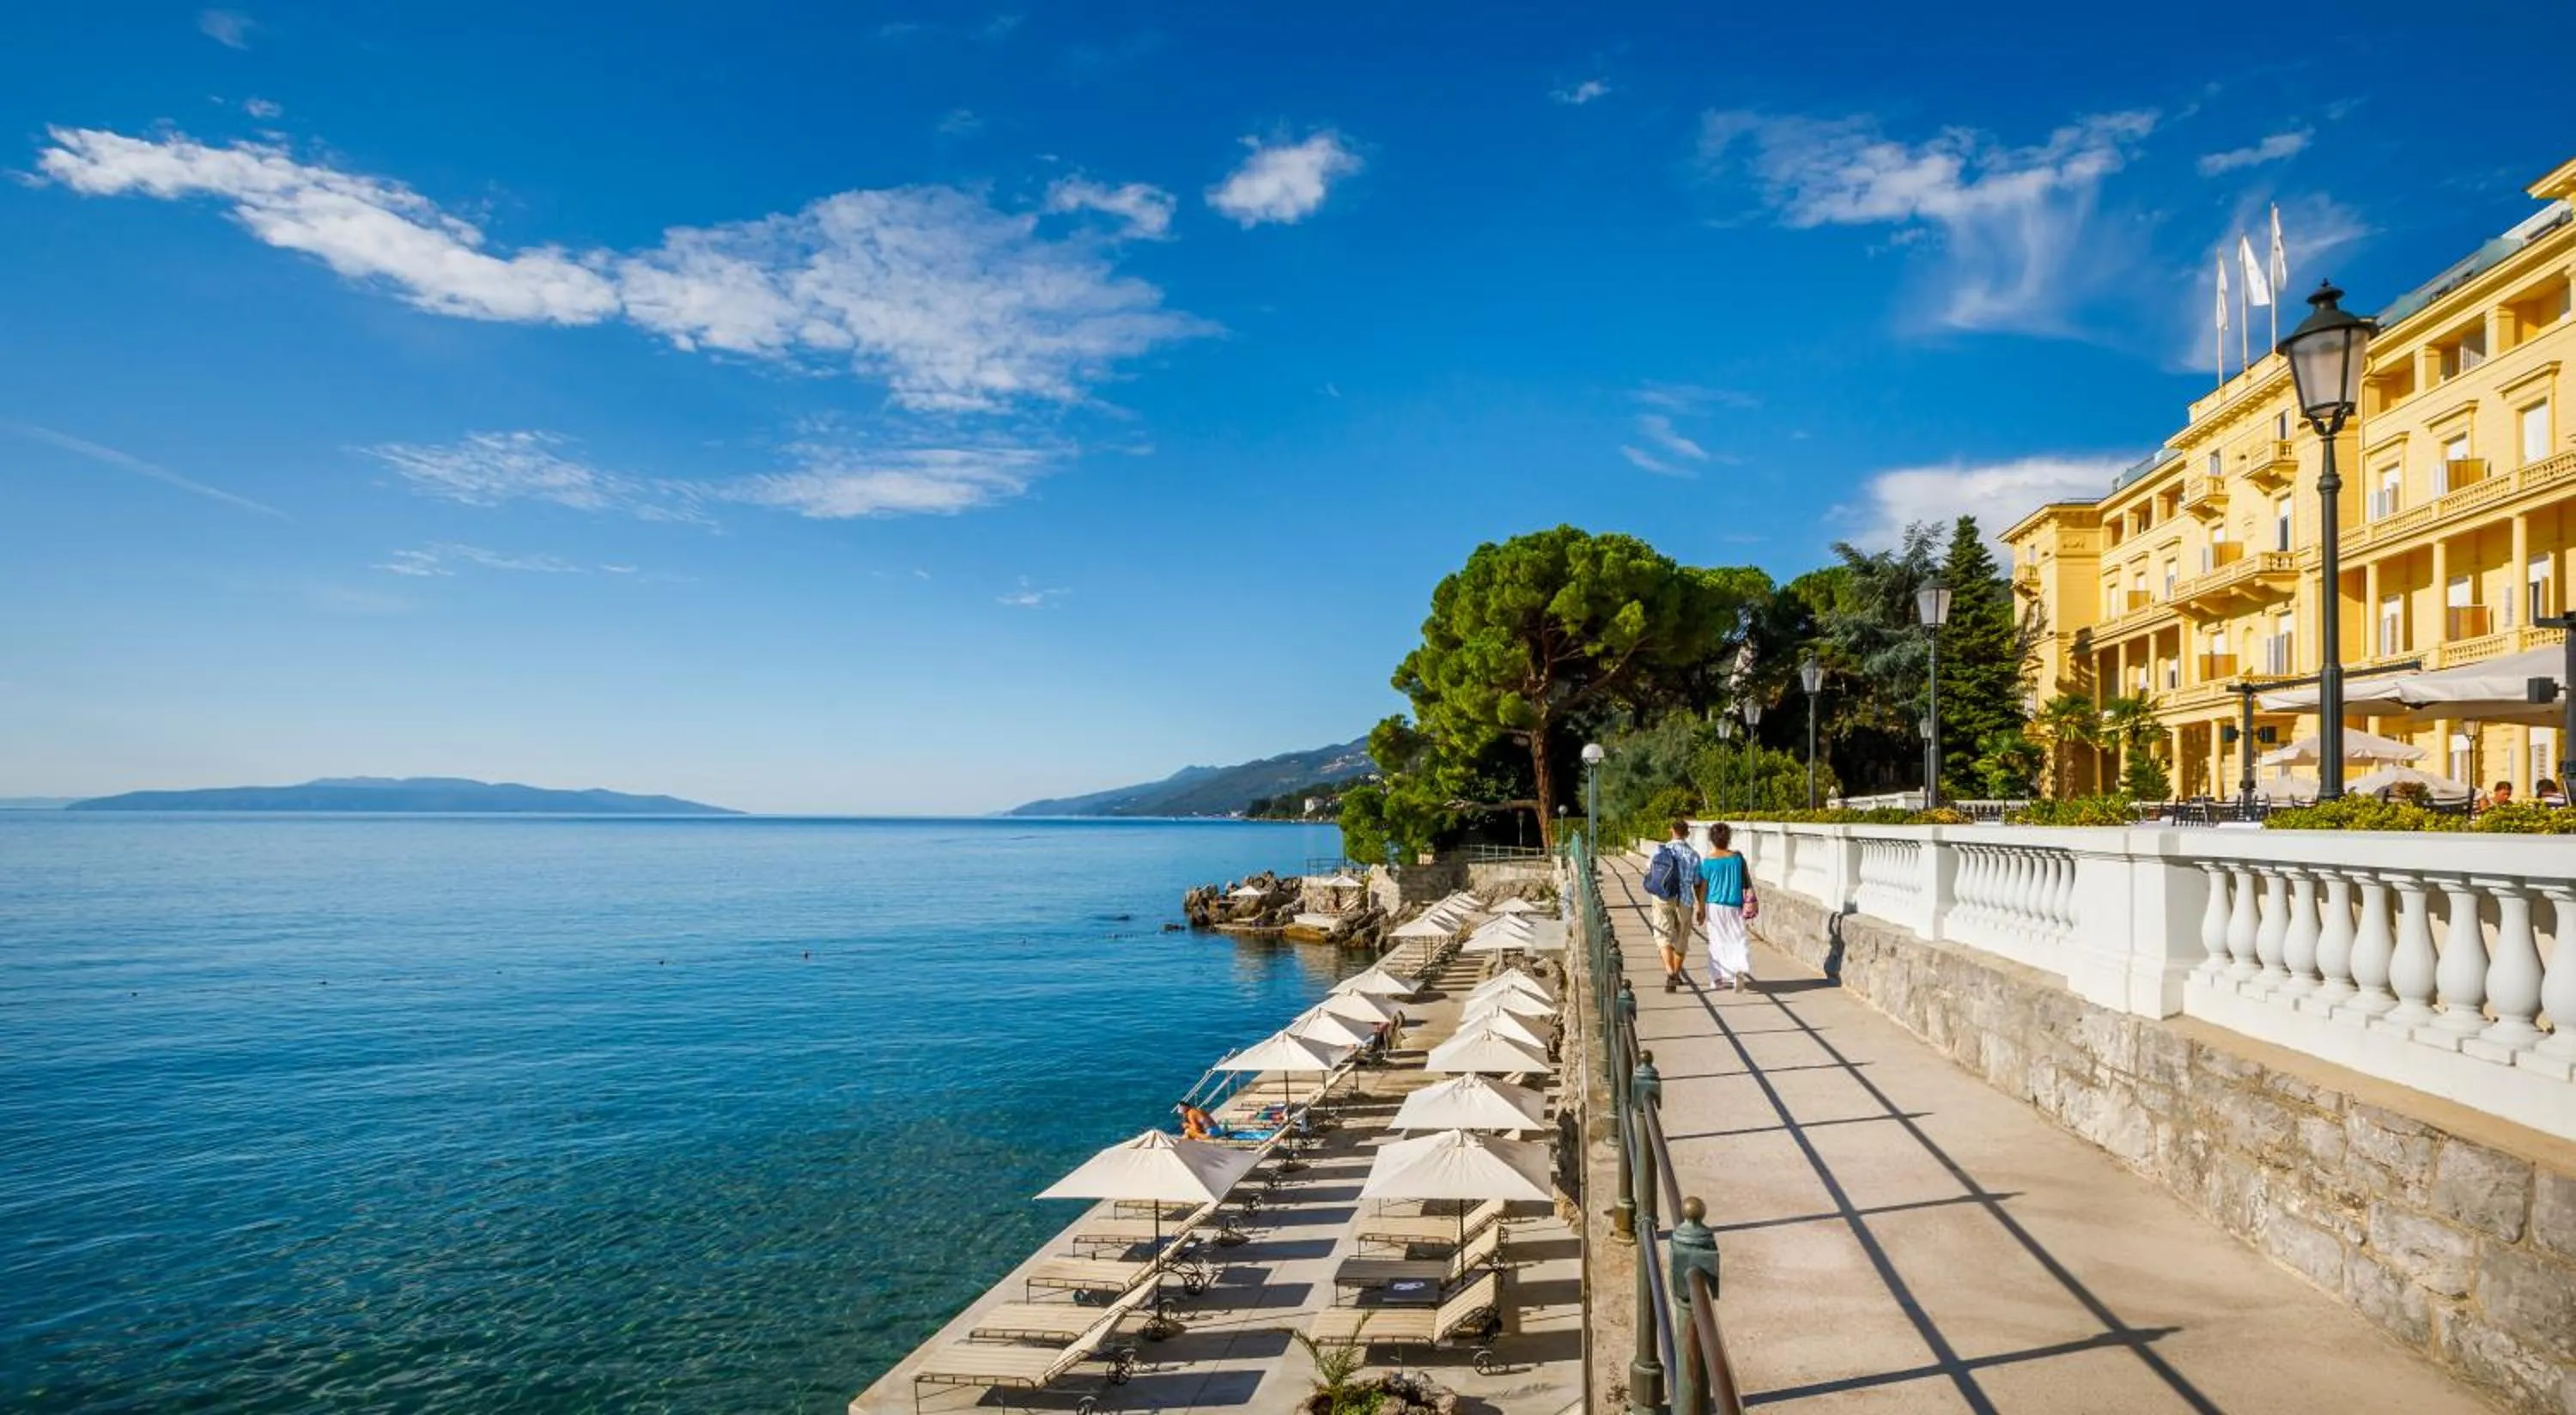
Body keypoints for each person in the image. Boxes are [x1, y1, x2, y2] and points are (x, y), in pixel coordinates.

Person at [1694, 823, 1757, 993]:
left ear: (1711, 840)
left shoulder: (1707, 862)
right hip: (1735, 905)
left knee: (1717, 941)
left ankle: (1718, 978)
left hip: (1714, 906)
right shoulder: (1737, 858)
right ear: (1728, 839)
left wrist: (1700, 909)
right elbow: (1746, 882)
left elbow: (1703, 888)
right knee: (1737, 937)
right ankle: (1738, 967)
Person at [1641, 819, 1699, 992]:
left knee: (1663, 935)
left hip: (1663, 897)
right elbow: (1697, 882)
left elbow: (1649, 872)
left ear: (1671, 831)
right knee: (1682, 937)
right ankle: (1676, 972)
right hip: (1685, 899)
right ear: (1687, 834)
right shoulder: (1693, 855)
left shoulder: (1659, 850)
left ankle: (1670, 973)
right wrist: (1701, 907)